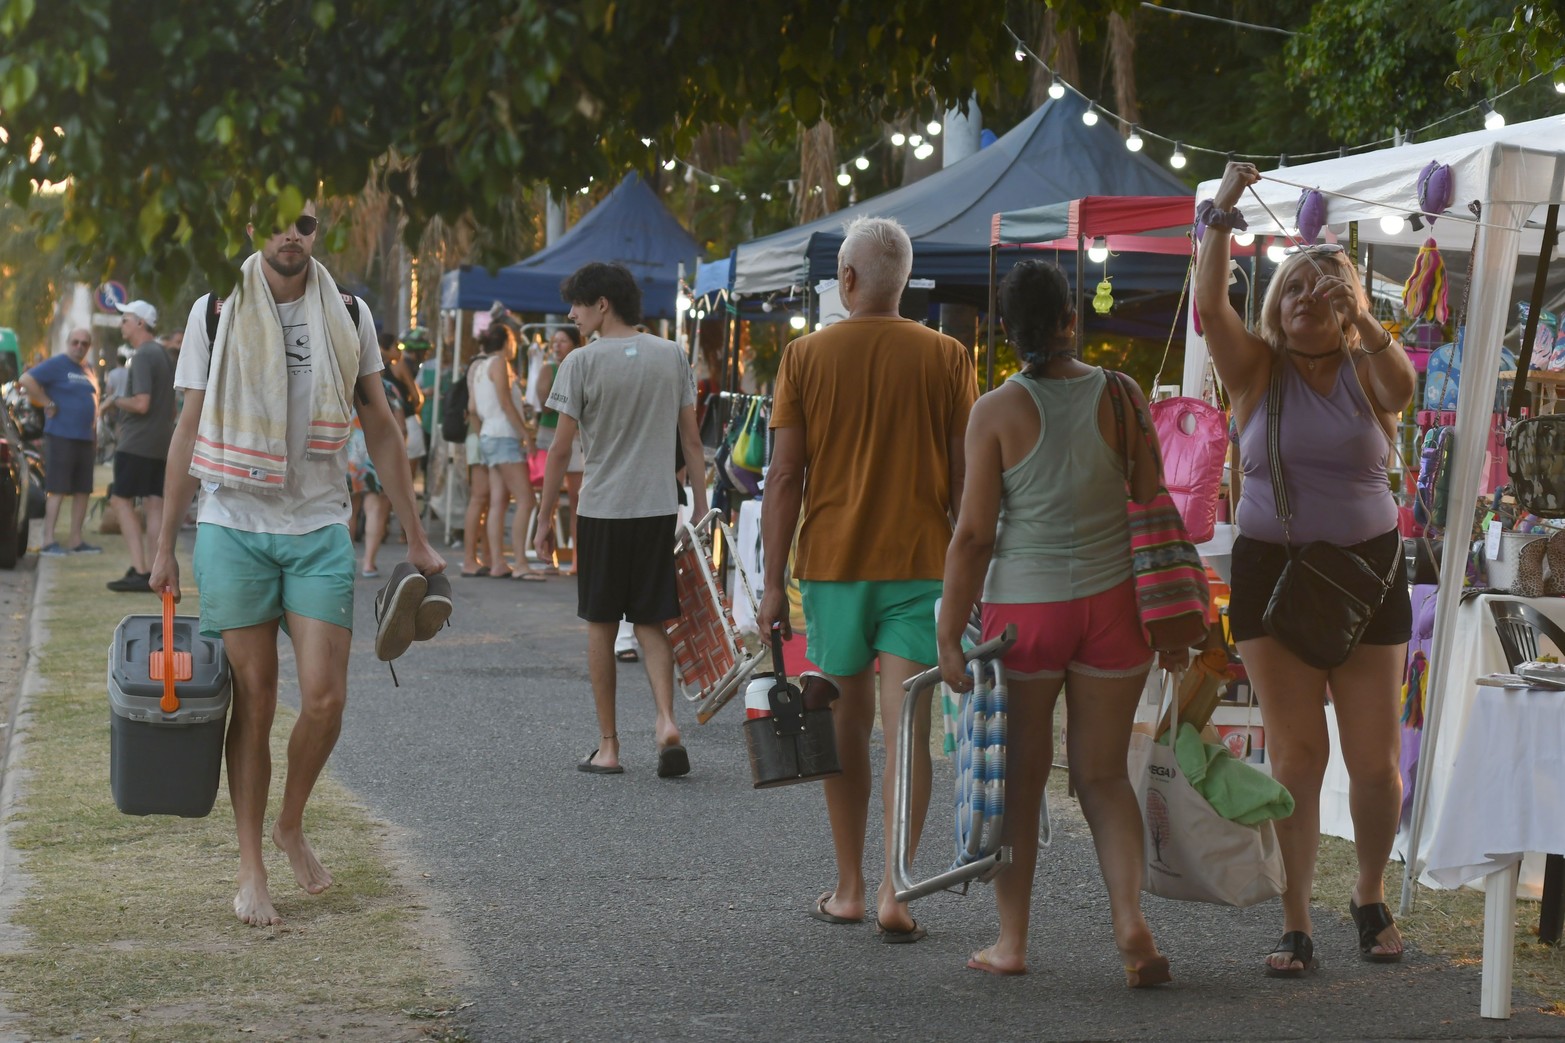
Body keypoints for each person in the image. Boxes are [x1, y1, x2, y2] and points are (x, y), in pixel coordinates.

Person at [149, 202, 445, 928]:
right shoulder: (214, 311)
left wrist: (415, 535)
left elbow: (378, 419)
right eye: (278, 223)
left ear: (318, 233)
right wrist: (161, 545)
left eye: (305, 225)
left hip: (316, 525)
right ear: (254, 229)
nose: (292, 236)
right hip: (234, 523)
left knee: (324, 699)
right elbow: (188, 423)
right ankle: (252, 864)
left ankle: (291, 822)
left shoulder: (348, 311)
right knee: (253, 700)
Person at [1194, 162, 1415, 976]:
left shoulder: (1368, 372)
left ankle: (1366, 890)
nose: (1306, 304)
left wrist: (1364, 320)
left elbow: (1404, 384)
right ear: (1274, 307)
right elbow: (1208, 303)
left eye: (1323, 295)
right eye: (1293, 292)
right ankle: (1294, 916)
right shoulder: (1254, 371)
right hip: (1272, 577)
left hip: (1367, 575)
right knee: (1295, 753)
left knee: (1373, 758)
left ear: (1348, 306)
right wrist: (1220, 208)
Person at [936, 259, 1170, 984]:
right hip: (1114, 609)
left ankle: (1011, 941)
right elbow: (1148, 490)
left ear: (1009, 332)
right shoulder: (1123, 394)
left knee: (1023, 780)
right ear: (1071, 318)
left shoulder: (995, 411)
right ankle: (1128, 917)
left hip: (1024, 614)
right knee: (1101, 775)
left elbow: (973, 534)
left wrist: (949, 630)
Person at [757, 216, 976, 940]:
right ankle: (895, 889)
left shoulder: (804, 356)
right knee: (908, 728)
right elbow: (964, 481)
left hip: (833, 565)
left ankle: (848, 886)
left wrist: (767, 585)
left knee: (845, 724)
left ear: (846, 280)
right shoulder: (947, 356)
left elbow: (784, 475)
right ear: (903, 281)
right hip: (921, 562)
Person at [535, 261, 708, 777]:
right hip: (658, 505)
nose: (572, 315)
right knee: (652, 618)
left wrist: (544, 520)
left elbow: (561, 450)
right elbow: (692, 443)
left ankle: (608, 747)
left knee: (601, 624)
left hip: (603, 509)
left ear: (601, 305)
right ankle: (664, 722)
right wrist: (699, 504)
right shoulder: (673, 355)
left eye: (577, 305)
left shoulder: (581, 364)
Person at [103, 300, 177, 591]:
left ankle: (140, 569)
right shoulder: (161, 354)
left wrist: (113, 401)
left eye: (126, 319)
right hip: (158, 442)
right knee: (154, 504)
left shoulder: (144, 355)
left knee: (120, 500)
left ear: (140, 323)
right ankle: (154, 571)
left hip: (136, 443)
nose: (122, 324)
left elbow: (141, 403)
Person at [469, 324, 543, 580]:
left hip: (490, 434)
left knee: (498, 501)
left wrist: (483, 435)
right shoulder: (499, 363)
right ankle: (520, 562)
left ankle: (499, 562)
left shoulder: (478, 367)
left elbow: (473, 408)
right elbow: (505, 400)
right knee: (526, 499)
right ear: (506, 341)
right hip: (504, 436)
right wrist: (525, 435)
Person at [20, 327, 102, 555]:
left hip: (86, 438)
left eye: (84, 343)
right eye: (75, 342)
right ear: (68, 343)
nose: (79, 346)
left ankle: (76, 541)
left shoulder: (88, 369)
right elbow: (26, 379)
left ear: (89, 347)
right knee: (56, 489)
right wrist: (47, 402)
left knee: (83, 490)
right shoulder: (57, 364)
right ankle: (48, 541)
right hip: (61, 436)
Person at [532, 326, 585, 576]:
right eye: (555, 342)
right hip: (548, 438)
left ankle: (577, 561)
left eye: (563, 341)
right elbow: (545, 405)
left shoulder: (583, 366)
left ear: (576, 344)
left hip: (575, 440)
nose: (557, 346)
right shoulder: (548, 369)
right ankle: (549, 559)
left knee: (577, 501)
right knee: (548, 501)